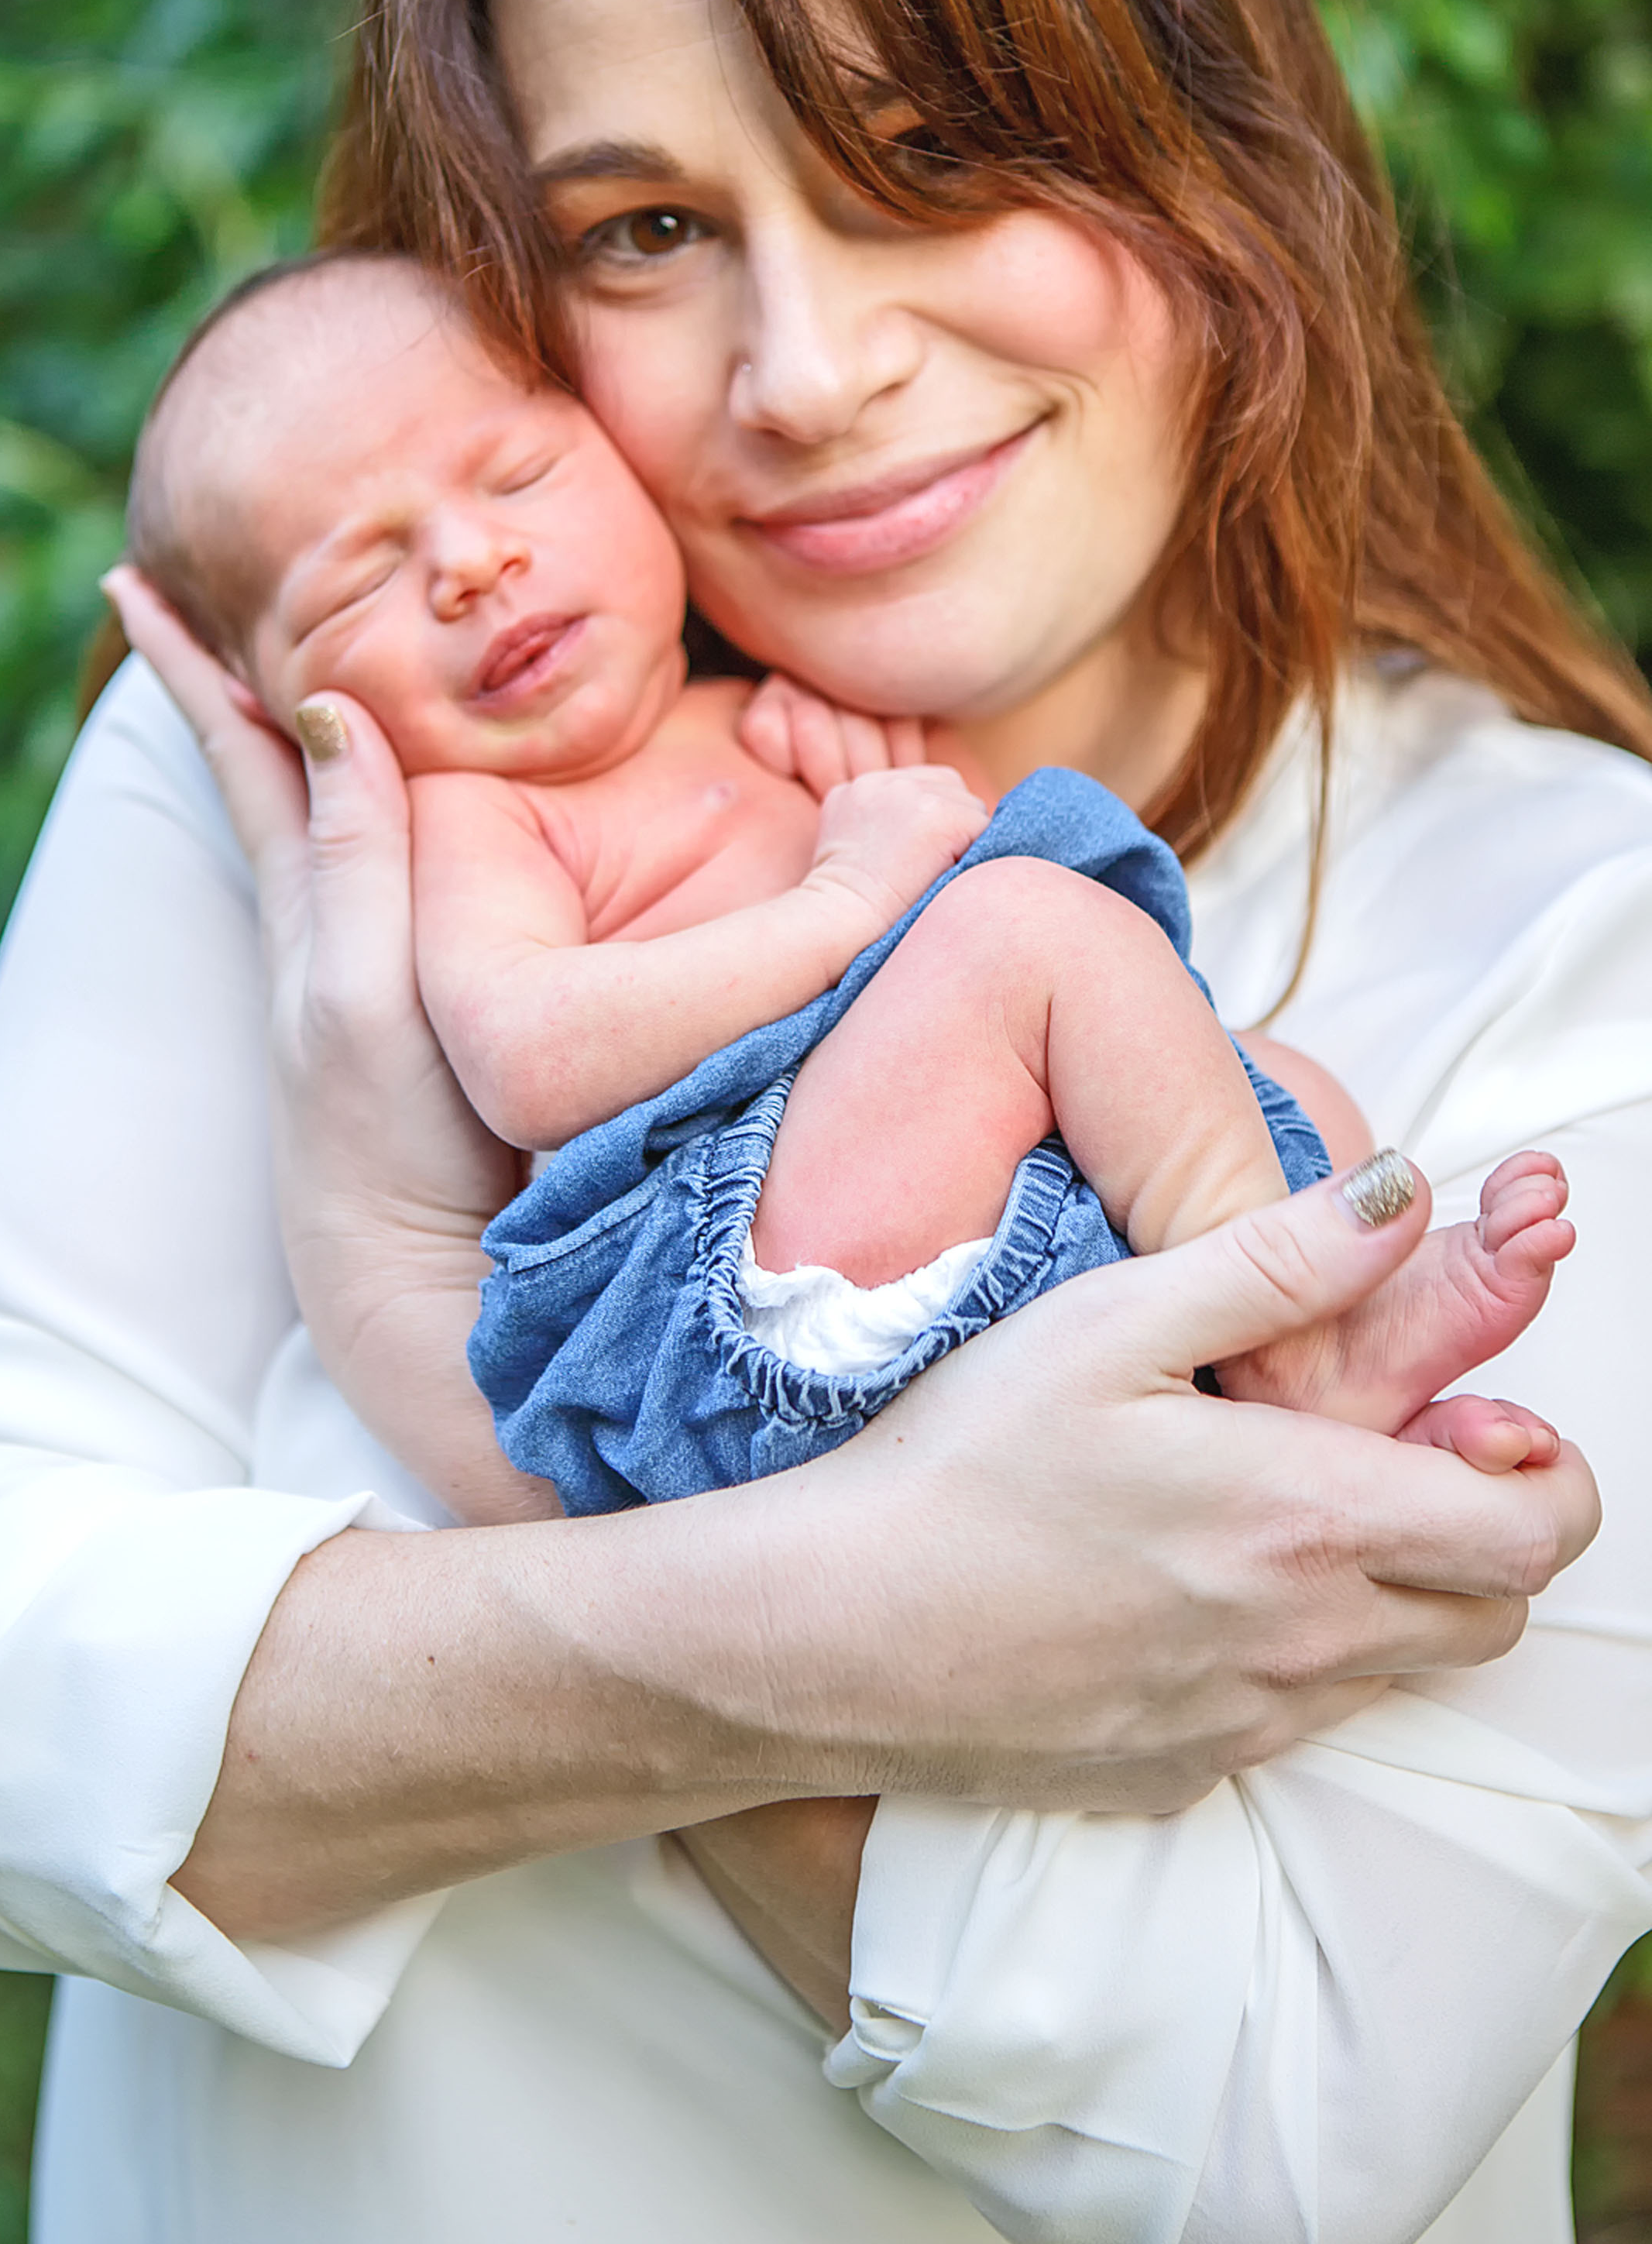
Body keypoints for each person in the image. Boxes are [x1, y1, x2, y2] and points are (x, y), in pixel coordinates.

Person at [0, 0, 1646, 2244]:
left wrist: (446, 1444)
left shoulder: (1565, 919)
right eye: (650, 232)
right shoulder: (350, 786)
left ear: (1206, 141)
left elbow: (1282, 2124)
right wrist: (858, 1624)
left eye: (928, 154)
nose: (812, 369)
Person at [124, 247, 1564, 1526]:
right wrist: (845, 902)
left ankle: (1249, 1385)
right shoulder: (480, 818)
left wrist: (885, 812)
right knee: (1028, 934)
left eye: (520, 478)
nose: (470, 562)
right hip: (712, 1297)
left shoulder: (764, 714)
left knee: (1287, 1088)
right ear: (269, 700)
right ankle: (1296, 1336)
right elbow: (530, 1057)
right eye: (353, 585)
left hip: (942, 1231)